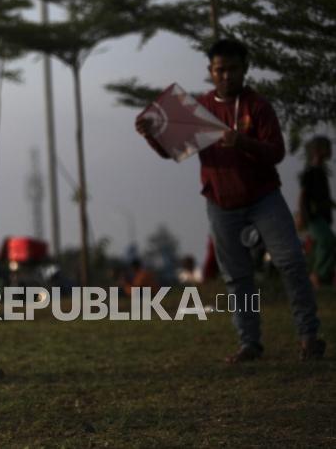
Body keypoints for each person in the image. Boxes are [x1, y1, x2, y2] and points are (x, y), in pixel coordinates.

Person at [136, 38, 325, 363]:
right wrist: (152, 135)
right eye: (219, 70)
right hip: (221, 202)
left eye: (233, 69)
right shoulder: (199, 110)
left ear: (245, 69)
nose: (226, 76)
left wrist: (243, 143)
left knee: (291, 263)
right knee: (237, 277)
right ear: (210, 72)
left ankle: (309, 336)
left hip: (263, 197)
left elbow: (276, 152)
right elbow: (173, 151)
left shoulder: (258, 106)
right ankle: (249, 344)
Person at [298, 136, 335, 288]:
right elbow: (303, 195)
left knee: (325, 244)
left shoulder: (321, 172)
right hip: (313, 217)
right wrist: (302, 215)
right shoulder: (311, 172)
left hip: (323, 216)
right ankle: (317, 276)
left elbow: (324, 198)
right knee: (327, 241)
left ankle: (323, 276)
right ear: (317, 151)